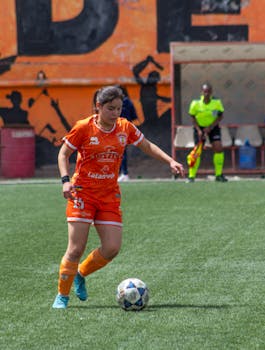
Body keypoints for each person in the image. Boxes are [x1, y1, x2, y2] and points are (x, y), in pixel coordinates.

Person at [52, 85, 184, 309]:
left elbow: (147, 146)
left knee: (112, 248)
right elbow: (63, 153)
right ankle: (62, 296)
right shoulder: (84, 127)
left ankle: (81, 274)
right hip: (82, 193)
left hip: (109, 196)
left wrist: (170, 161)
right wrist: (66, 181)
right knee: (75, 248)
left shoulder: (125, 127)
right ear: (99, 107)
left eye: (119, 109)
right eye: (111, 109)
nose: (116, 113)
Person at [187, 82, 228, 182]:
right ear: (201, 92)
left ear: (211, 92)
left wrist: (210, 127)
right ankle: (191, 176)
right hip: (199, 128)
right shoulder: (195, 103)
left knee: (218, 148)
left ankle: (218, 175)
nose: (206, 93)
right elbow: (192, 117)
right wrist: (199, 130)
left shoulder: (216, 102)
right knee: (197, 151)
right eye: (205, 91)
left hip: (213, 127)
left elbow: (220, 116)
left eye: (208, 92)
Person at [115, 85, 138, 182]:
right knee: (121, 151)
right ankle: (121, 173)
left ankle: (123, 173)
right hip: (126, 129)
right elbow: (134, 116)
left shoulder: (117, 103)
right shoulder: (128, 102)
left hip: (118, 129)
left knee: (120, 152)